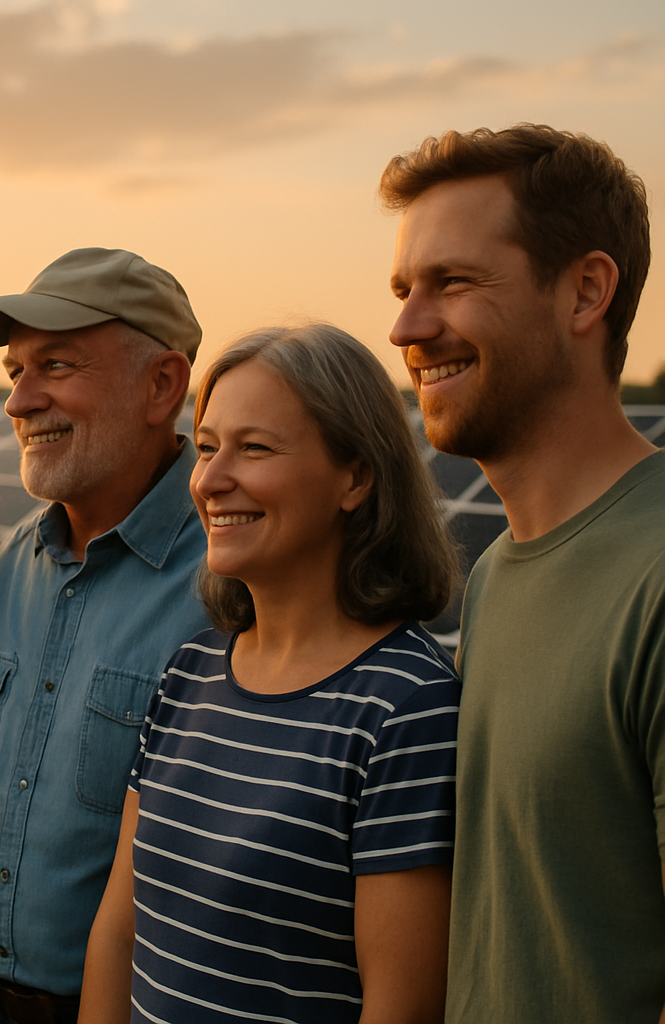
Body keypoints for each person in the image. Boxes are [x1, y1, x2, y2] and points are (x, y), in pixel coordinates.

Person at [78, 322, 462, 1024]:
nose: (212, 480)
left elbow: (399, 1007)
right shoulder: (190, 671)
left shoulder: (408, 707)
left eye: (254, 449)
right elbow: (118, 931)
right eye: (209, 446)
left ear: (356, 477)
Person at [380, 124, 664, 1022]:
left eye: (453, 283)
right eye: (402, 290)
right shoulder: (497, 572)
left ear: (585, 291)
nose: (406, 328)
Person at [0, 247, 212, 1023]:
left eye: (56, 366)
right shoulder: (12, 569)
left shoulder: (234, 582)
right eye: (14, 372)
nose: (19, 402)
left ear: (162, 385)